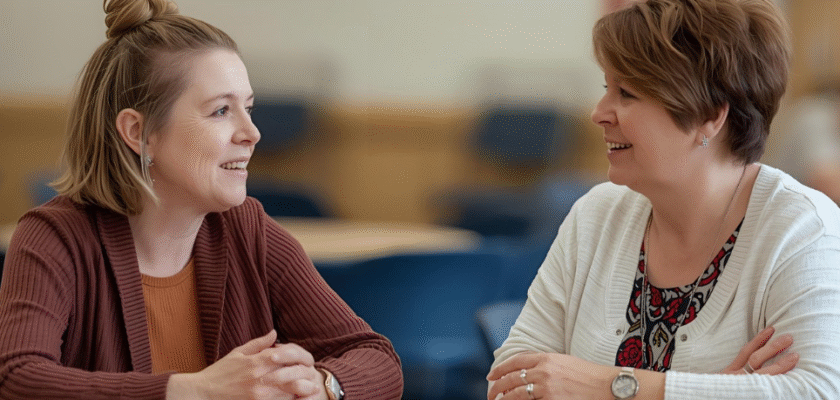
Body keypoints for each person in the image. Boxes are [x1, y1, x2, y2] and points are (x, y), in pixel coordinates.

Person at [0, 0, 403, 399]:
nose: (252, 132)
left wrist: (322, 385)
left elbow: (375, 357)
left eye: (248, 108)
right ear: (139, 133)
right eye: (221, 111)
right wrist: (194, 390)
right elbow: (17, 379)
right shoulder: (54, 238)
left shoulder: (248, 228)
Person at [487, 0, 840, 399]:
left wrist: (612, 387)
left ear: (709, 114)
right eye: (607, 88)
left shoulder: (803, 228)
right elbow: (508, 382)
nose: (599, 113)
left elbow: (817, 391)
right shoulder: (596, 214)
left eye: (628, 93)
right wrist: (717, 390)